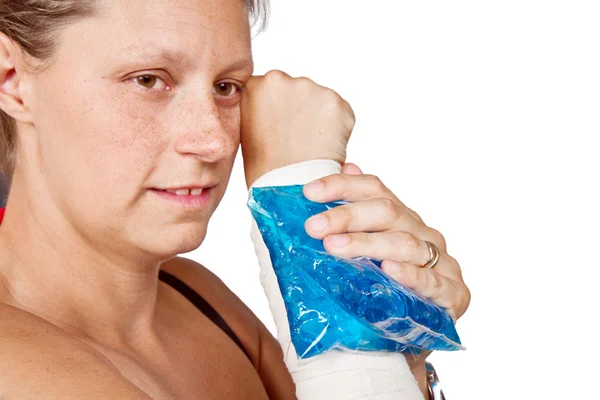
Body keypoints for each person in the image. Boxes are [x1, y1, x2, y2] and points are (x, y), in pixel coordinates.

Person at [0, 0, 470, 399]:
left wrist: (397, 355)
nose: (216, 142)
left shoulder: (202, 298)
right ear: (10, 77)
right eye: (148, 80)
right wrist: (298, 190)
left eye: (227, 88)